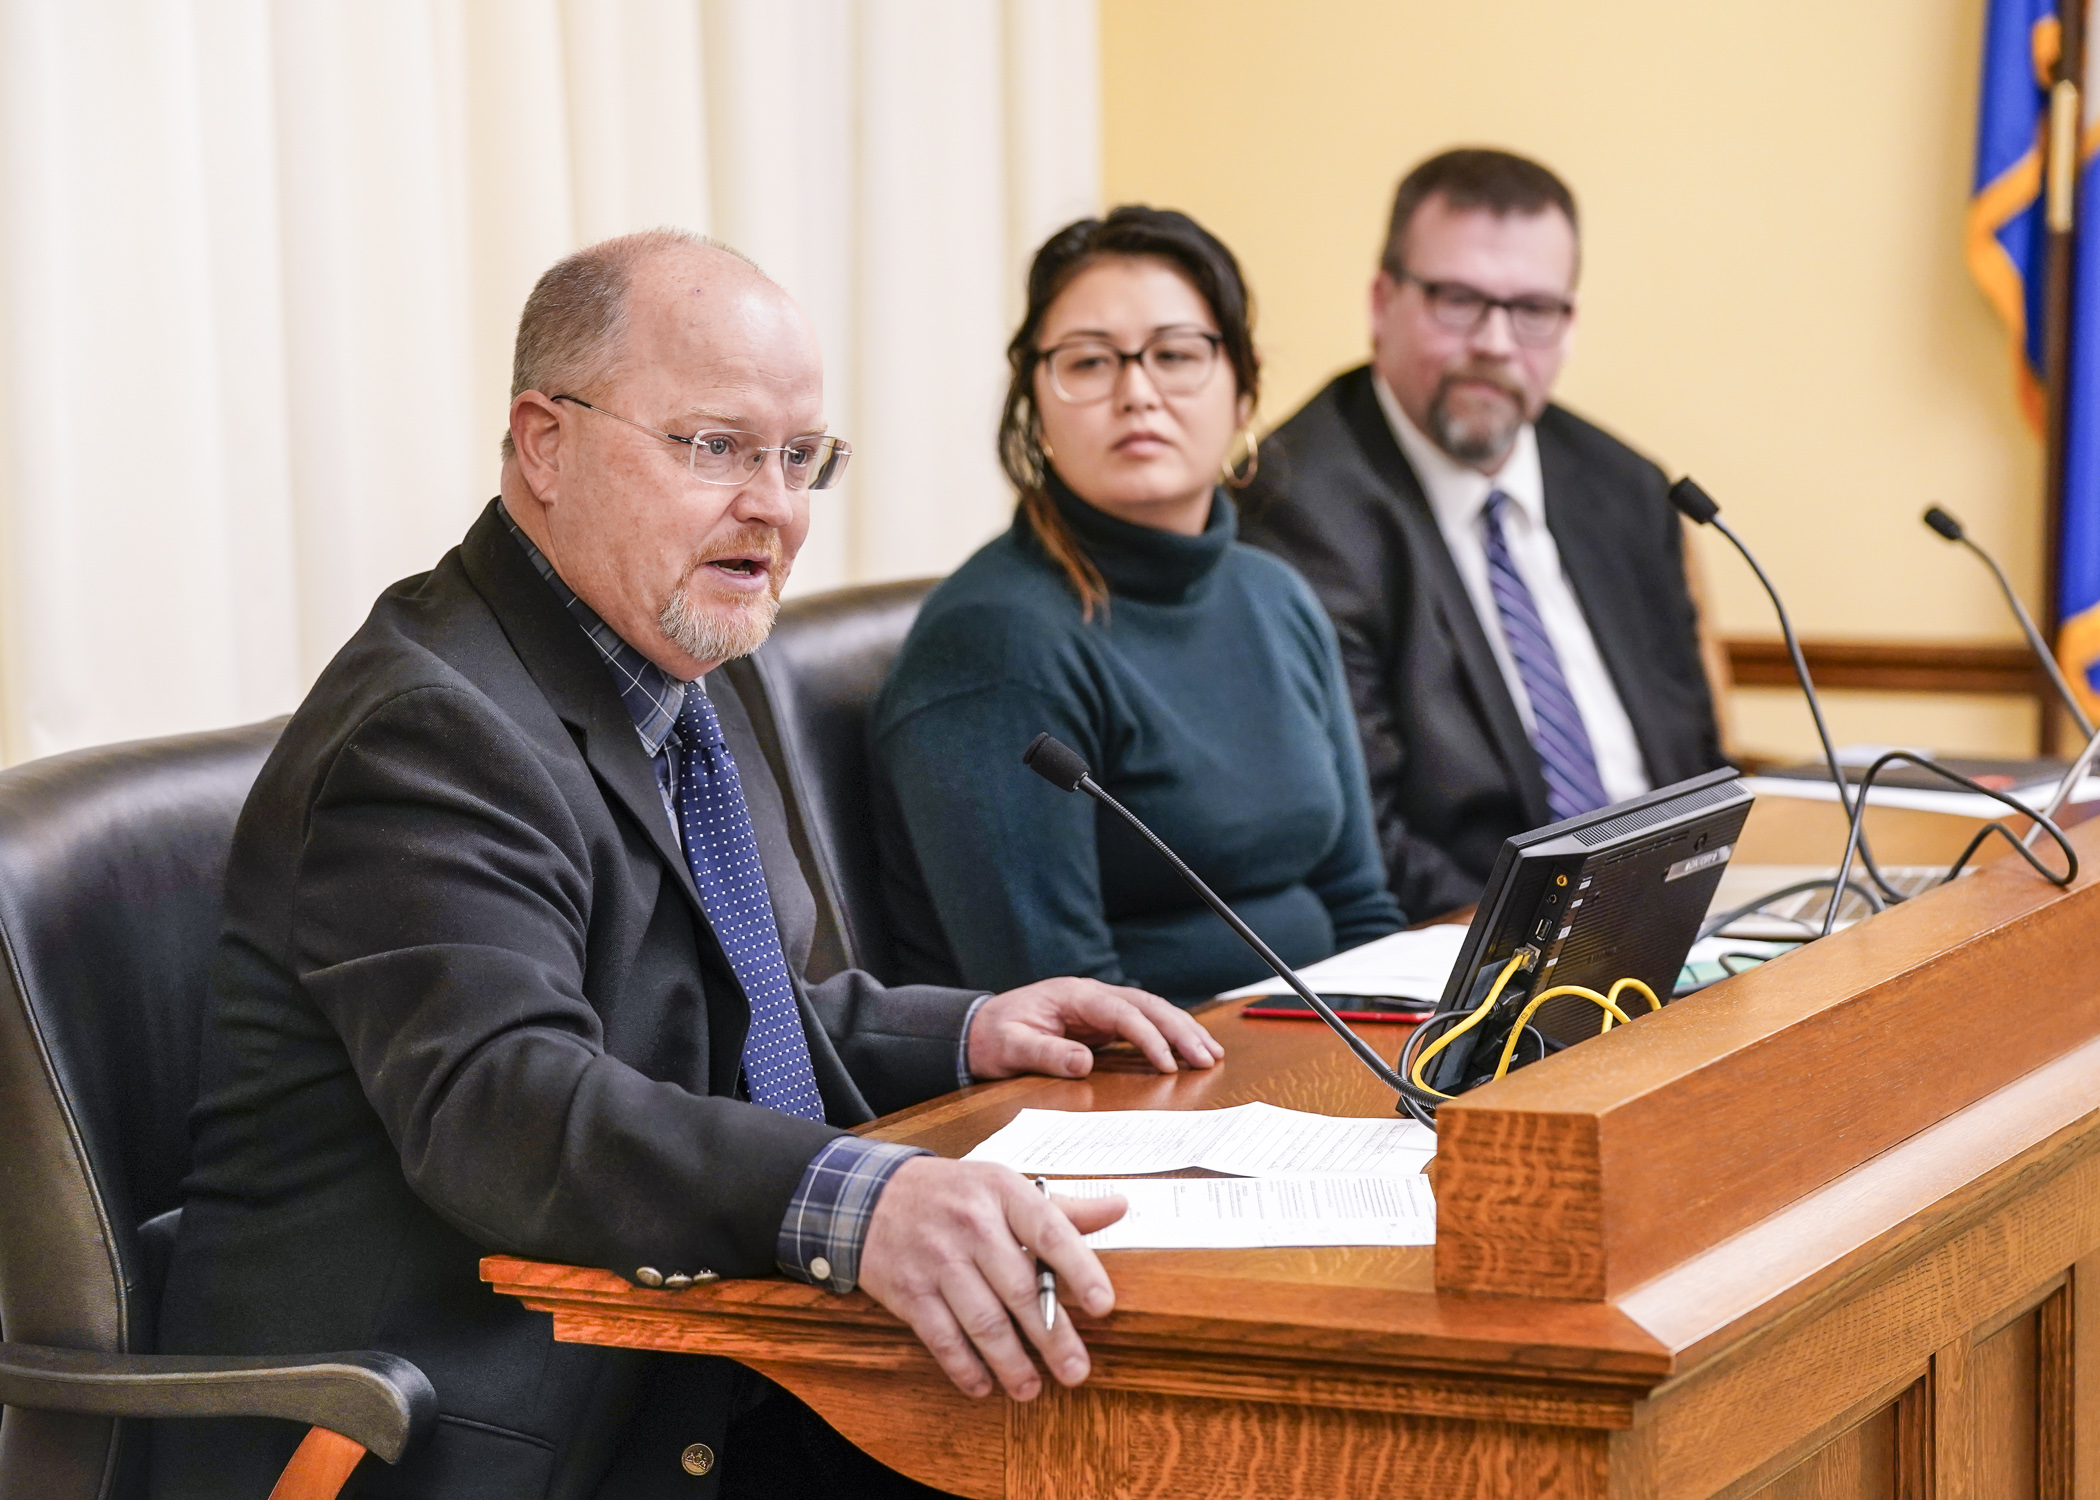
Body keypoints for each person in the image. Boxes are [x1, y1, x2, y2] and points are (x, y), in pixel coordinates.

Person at [151, 230, 1224, 1500]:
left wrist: (975, 1031)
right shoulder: (430, 725)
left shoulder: (685, 651)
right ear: (544, 443)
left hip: (682, 1345)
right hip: (459, 1423)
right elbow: (506, 1106)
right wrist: (862, 1204)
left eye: (798, 458)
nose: (772, 507)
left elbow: (743, 1010)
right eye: (716, 447)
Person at [870, 207, 1405, 1006]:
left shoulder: (1276, 597)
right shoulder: (998, 641)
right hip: (1134, 1100)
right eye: (1088, 364)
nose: (1137, 392)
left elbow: (1360, 910)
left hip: (1340, 1054)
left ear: (1244, 387)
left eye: (1177, 354)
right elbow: (1069, 1010)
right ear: (1035, 403)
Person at [1240, 148, 1725, 920]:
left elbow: (1694, 761)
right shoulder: (1297, 508)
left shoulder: (1625, 488)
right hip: (1475, 956)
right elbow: (1364, 840)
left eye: (1533, 309)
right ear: (1381, 302)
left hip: (1679, 924)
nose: (1497, 343)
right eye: (1459, 300)